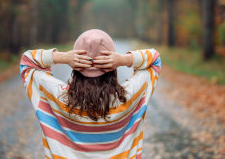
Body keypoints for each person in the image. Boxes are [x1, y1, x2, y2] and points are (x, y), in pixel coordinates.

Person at [20, 29, 162, 159]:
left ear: (75, 65)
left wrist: (63, 57)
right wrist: (124, 60)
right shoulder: (130, 96)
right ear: (112, 66)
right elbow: (154, 59)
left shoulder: (57, 96)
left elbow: (27, 62)